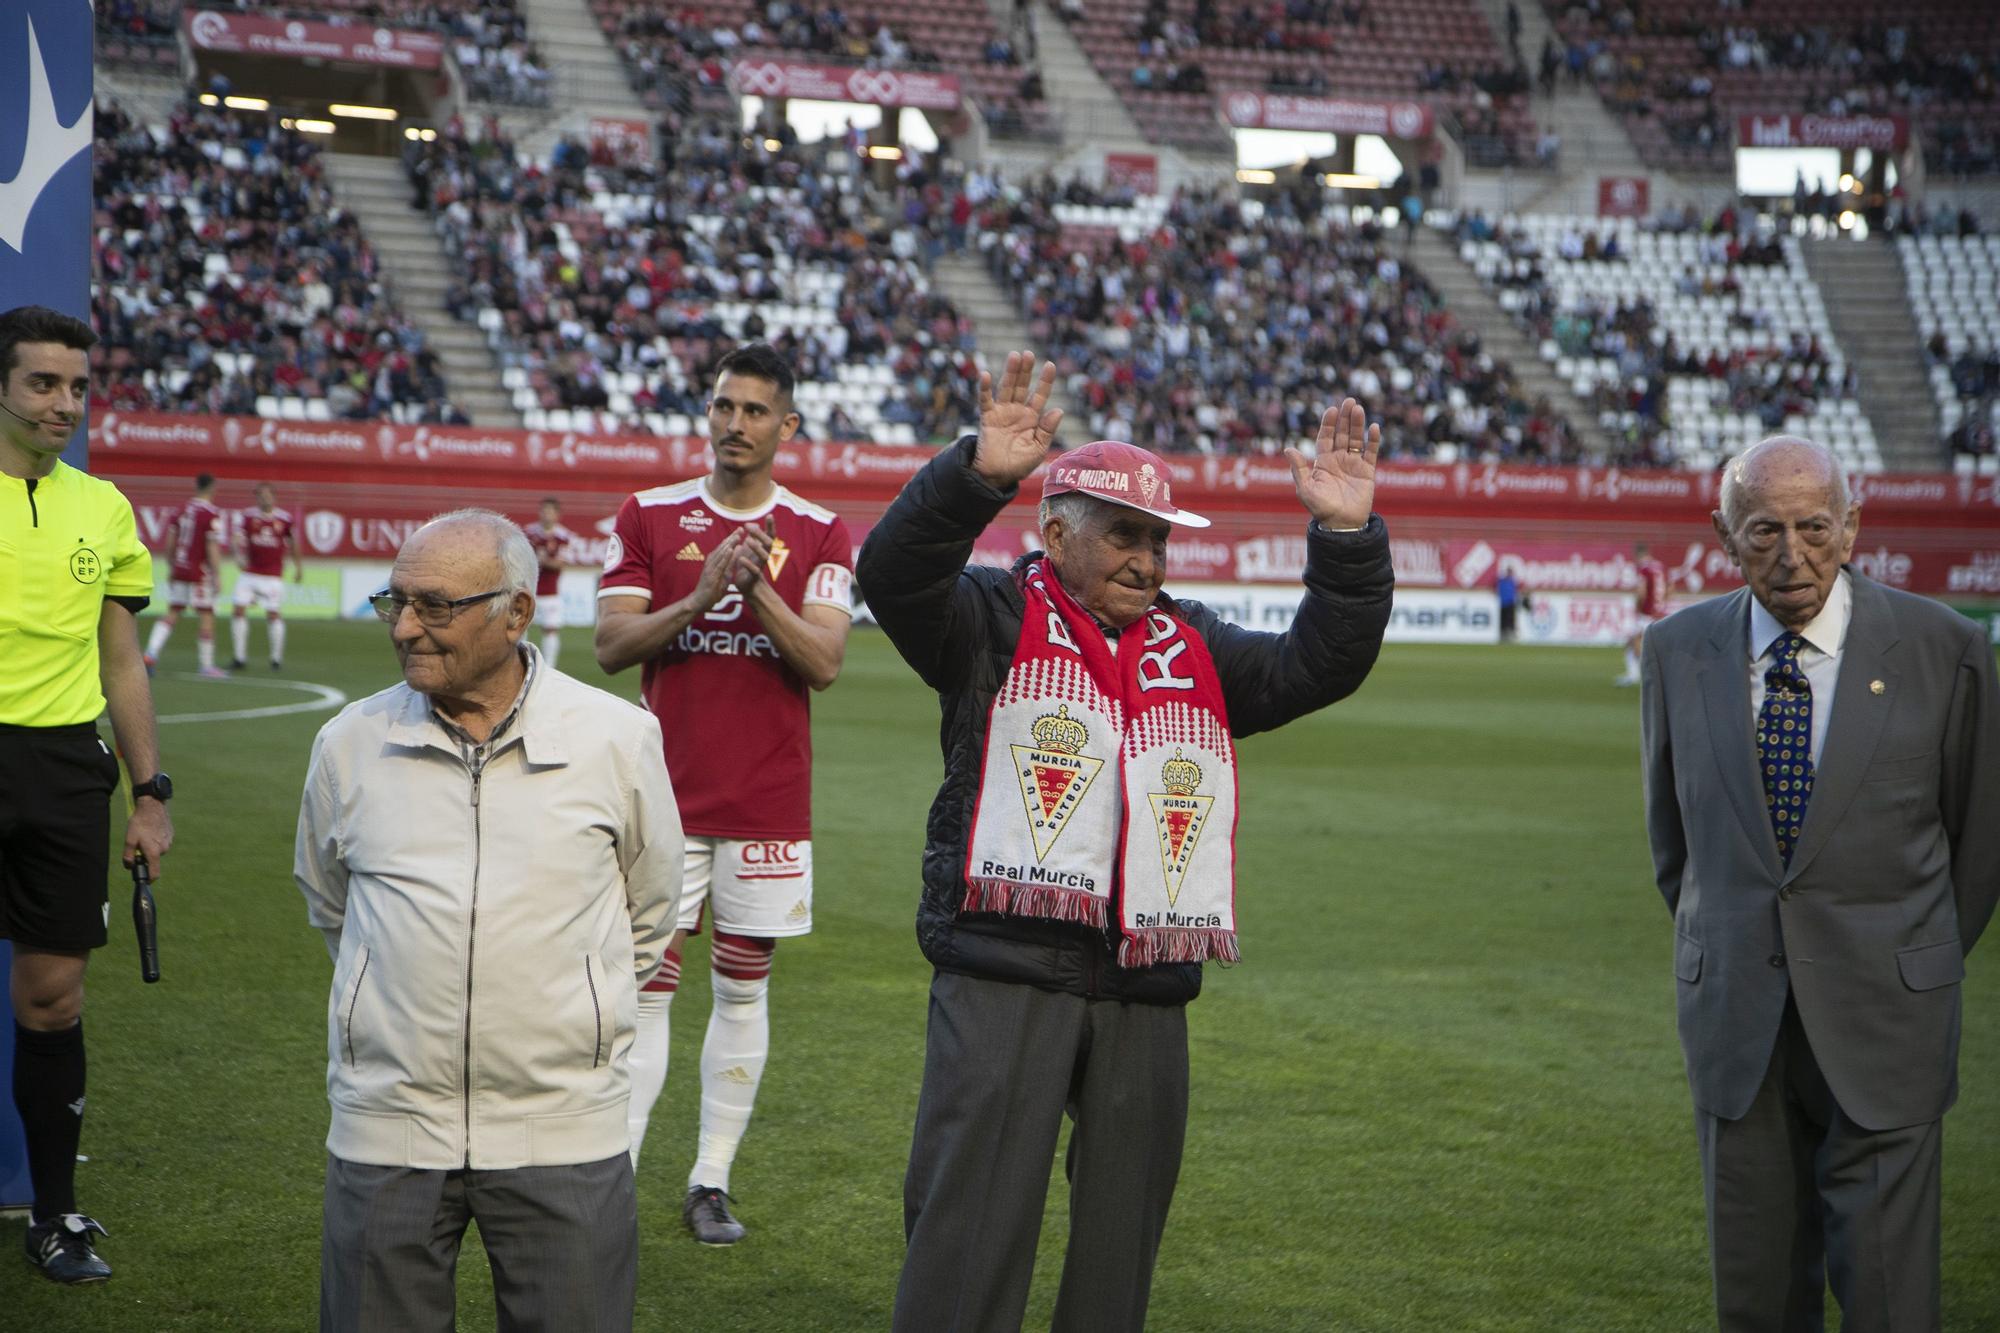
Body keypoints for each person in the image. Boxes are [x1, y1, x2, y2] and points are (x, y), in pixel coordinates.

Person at [856, 352, 1393, 1331]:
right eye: (1123, 536)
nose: (1147, 559)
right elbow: (889, 573)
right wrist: (972, 473)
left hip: (1146, 988)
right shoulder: (987, 621)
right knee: (965, 1238)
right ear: (1054, 532)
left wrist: (1347, 538)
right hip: (1003, 973)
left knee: (1117, 1258)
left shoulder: (1195, 647)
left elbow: (1320, 662)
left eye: (1157, 539)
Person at [1640, 436, 2000, 1332]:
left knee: (1889, 1299)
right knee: (1755, 1302)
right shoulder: (1675, 650)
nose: (1792, 554)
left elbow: (1979, 849)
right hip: (1737, 1026)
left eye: (1813, 527)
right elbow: (1675, 849)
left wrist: (1903, 960)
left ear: (1852, 527)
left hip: (1888, 1023)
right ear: (1722, 533)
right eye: (1765, 530)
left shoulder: (1945, 650)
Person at [294, 509, 683, 1331]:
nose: (405, 628)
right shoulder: (346, 744)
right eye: (393, 602)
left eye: (434, 606)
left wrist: (577, 1010)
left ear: (515, 612)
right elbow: (332, 904)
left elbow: (648, 910)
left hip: (564, 1132)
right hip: (387, 1130)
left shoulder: (617, 739)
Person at [594, 342, 854, 1246]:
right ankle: (614, 1175)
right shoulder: (650, 516)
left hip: (766, 804)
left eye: (753, 411)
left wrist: (757, 594)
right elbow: (611, 646)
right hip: (661, 799)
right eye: (722, 406)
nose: (733, 424)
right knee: (649, 987)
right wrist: (702, 595)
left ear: (787, 426)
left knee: (742, 989)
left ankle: (710, 1179)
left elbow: (824, 661)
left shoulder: (820, 531)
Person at [0, 305, 174, 1283]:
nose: (63, 403)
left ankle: (55, 1215)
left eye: (75, 386)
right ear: (2, 385)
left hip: (66, 771)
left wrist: (149, 793)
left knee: (53, 997)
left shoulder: (103, 509)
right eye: (42, 382)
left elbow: (122, 662)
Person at [144, 472, 227, 678]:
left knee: (173, 611)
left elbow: (170, 541)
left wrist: (172, 566)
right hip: (199, 572)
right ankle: (206, 665)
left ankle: (150, 654)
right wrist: (217, 575)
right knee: (206, 615)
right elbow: (211, 545)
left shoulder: (180, 510)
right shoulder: (211, 513)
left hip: (180, 568)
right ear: (212, 487)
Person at [229, 482, 302, 671]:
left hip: (272, 576)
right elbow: (236, 538)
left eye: (267, 495)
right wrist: (238, 556)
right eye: (260, 495)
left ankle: (276, 659)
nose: (264, 498)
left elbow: (293, 544)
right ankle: (239, 657)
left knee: (273, 614)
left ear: (274, 496)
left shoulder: (284, 519)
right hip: (250, 573)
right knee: (238, 610)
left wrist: (298, 567)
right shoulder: (248, 516)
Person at [523, 496, 575, 668]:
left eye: (550, 511)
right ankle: (522, 665)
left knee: (551, 629)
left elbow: (561, 563)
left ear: (557, 515)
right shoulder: (528, 533)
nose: (546, 515)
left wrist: (543, 561)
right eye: (544, 511)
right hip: (528, 590)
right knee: (521, 628)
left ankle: (550, 668)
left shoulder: (563, 536)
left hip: (551, 593)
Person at [1616, 539, 1668, 684]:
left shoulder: (1644, 569)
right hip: (1660, 611)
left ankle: (1649, 673)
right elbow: (1671, 587)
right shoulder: (1660, 567)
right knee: (1636, 642)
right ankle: (1634, 675)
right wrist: (1662, 604)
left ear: (1637, 554)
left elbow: (1641, 592)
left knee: (1635, 642)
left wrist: (1638, 607)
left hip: (1647, 613)